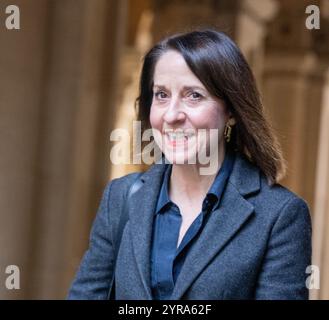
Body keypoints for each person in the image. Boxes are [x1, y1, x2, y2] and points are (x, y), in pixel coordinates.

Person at [68, 29, 312, 300]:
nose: (171, 115)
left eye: (193, 95)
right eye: (161, 94)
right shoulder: (120, 198)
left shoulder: (281, 216)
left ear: (231, 110)